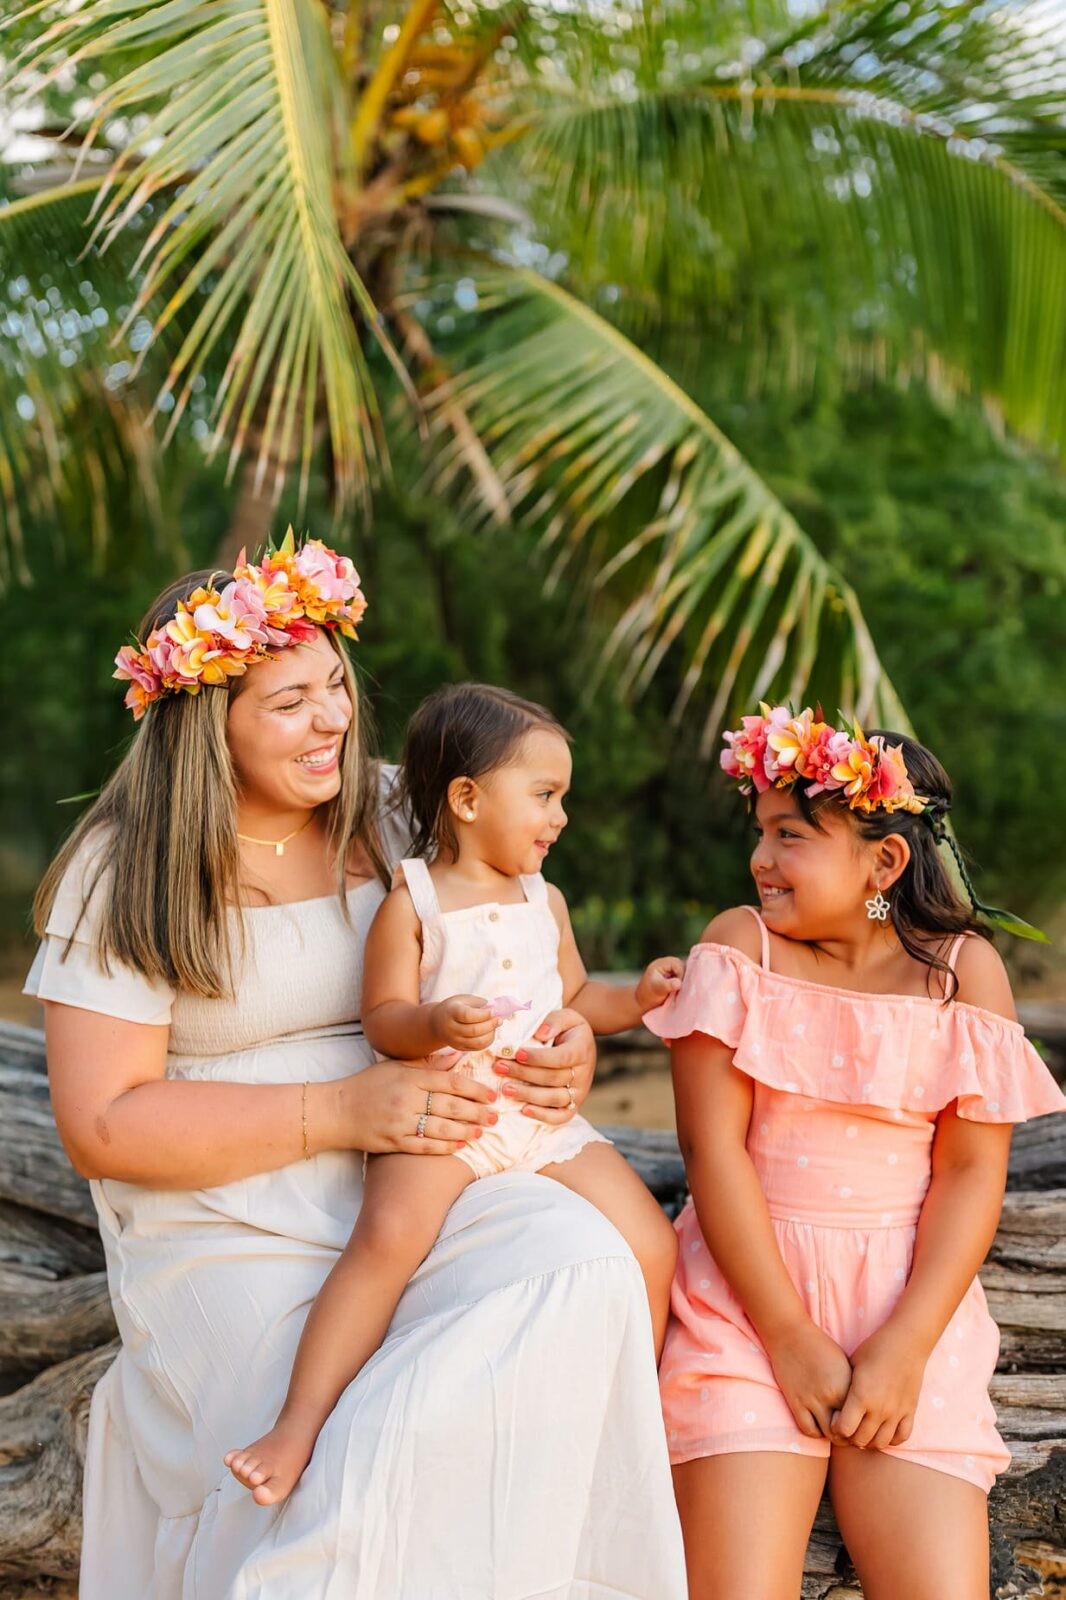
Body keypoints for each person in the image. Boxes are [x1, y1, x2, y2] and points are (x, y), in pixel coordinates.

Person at [26, 534, 687, 1600]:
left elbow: (518, 948)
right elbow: (100, 1125)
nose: (333, 718)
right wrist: (342, 1107)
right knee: (368, 1438)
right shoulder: (125, 867)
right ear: (206, 718)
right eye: (289, 702)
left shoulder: (393, 810)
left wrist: (562, 1038)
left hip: (438, 1166)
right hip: (224, 1217)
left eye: (335, 684)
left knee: (586, 1261)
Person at [643, 705, 1066, 1600]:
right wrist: (789, 1338)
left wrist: (907, 1346)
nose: (760, 859)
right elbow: (711, 1150)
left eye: (790, 836)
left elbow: (968, 1171)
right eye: (760, 833)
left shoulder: (959, 973)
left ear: (884, 861)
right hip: (748, 1311)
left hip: (908, 1313)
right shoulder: (739, 951)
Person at [225, 682, 682, 1504]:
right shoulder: (414, 903)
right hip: (447, 1114)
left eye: (562, 798)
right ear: (468, 799)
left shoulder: (546, 899)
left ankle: (635, 1417)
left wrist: (638, 999)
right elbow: (384, 1021)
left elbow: (576, 999)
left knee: (651, 1244)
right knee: (385, 1244)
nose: (561, 817)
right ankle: (296, 1426)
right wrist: (435, 1019)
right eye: (545, 796)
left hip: (543, 1122)